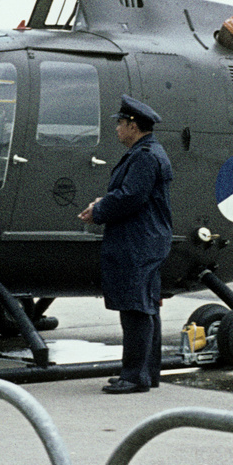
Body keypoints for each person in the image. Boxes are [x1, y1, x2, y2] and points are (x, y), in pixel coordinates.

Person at [79, 95, 173, 394]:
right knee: (146, 307)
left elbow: (132, 196)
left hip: (139, 241)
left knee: (136, 307)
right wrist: (104, 203)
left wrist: (99, 210)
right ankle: (145, 373)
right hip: (144, 238)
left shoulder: (145, 155)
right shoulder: (146, 152)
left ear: (133, 125)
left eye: (120, 123)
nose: (117, 129)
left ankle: (134, 377)